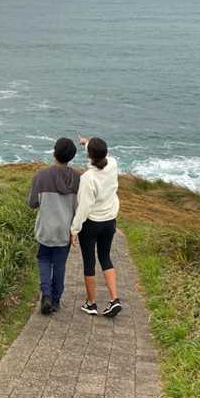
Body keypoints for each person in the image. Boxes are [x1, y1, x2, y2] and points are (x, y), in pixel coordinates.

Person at [28, 137, 81, 315]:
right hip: (64, 231)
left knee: (43, 260)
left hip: (45, 229)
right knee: (59, 265)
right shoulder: (77, 178)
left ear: (54, 152)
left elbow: (32, 203)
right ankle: (56, 301)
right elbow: (79, 207)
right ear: (71, 157)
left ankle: (46, 296)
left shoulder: (41, 176)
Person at [70, 136, 122, 317]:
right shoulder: (113, 164)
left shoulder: (87, 178)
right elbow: (102, 153)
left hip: (91, 224)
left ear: (89, 156)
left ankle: (91, 304)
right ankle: (114, 299)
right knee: (105, 258)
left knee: (89, 262)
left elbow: (83, 208)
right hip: (109, 221)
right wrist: (88, 143)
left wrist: (74, 230)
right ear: (106, 153)